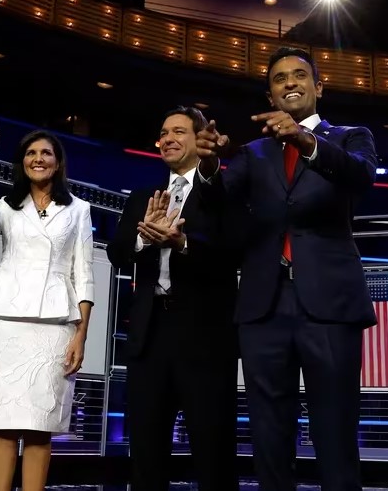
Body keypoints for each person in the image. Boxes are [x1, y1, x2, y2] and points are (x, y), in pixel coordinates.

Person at [196, 47, 378, 491]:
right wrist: (208, 165)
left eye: (300, 76)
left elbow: (361, 179)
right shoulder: (253, 151)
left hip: (330, 306)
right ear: (270, 93)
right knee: (269, 435)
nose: (290, 83)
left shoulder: (351, 137)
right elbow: (218, 199)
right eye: (280, 78)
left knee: (334, 432)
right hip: (264, 306)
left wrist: (305, 141)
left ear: (319, 86)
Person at [107, 106, 240, 491]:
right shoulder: (142, 196)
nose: (167, 138)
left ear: (200, 140)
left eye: (178, 131)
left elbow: (232, 250)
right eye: (163, 132)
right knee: (146, 452)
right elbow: (118, 252)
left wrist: (182, 243)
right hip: (150, 335)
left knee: (212, 450)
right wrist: (142, 238)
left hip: (205, 335)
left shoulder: (223, 190)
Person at [0, 121, 94, 491]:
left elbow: (84, 275)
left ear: (58, 162)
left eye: (46, 153)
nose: (38, 158)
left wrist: (81, 334)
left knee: (41, 426)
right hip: (5, 323)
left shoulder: (78, 210)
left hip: (55, 327)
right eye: (31, 153)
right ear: (22, 162)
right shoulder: (7, 206)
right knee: (2, 424)